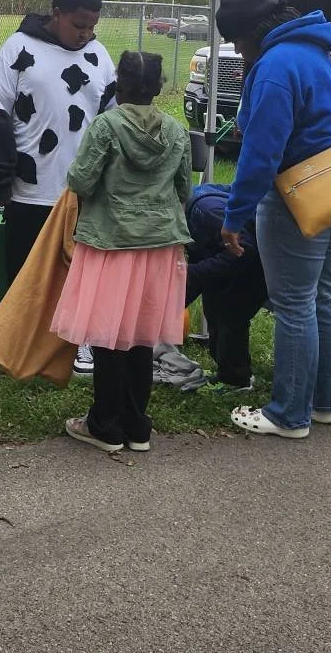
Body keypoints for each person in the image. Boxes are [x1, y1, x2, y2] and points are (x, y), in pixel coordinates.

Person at [216, 0, 331, 439]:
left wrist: (234, 216)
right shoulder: (328, 52)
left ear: (252, 32)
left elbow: (260, 152)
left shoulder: (275, 65)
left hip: (295, 195)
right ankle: (327, 403)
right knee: (323, 296)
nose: (236, 50)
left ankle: (289, 414)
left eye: (235, 40)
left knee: (293, 303)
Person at [51, 51, 192, 452]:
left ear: (121, 83)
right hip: (160, 244)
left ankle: (104, 423)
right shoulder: (177, 131)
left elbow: (81, 180)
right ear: (160, 86)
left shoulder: (106, 125)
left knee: (107, 333)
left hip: (112, 241)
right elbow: (184, 190)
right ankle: (137, 424)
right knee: (142, 335)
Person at [0, 0, 117, 376]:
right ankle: (19, 346)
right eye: (78, 25)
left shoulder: (99, 56)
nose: (85, 33)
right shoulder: (18, 49)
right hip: (30, 188)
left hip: (82, 190)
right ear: (56, 14)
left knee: (83, 271)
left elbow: (112, 119)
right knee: (26, 275)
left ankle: (79, 345)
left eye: (91, 26)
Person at [185, 183, 267, 393]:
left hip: (259, 257)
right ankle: (228, 370)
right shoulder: (192, 209)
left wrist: (192, 274)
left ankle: (236, 379)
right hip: (239, 251)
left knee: (231, 312)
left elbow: (244, 251)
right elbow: (199, 259)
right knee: (211, 301)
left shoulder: (207, 212)